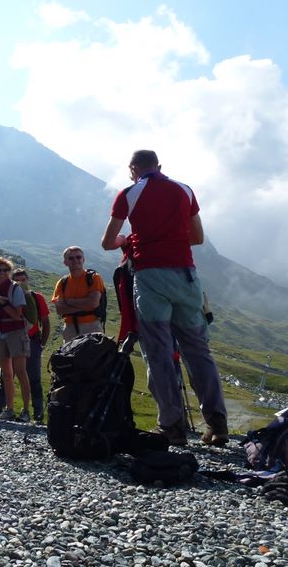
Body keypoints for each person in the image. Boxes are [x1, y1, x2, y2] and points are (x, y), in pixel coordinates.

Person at [101, 149, 228, 446]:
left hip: (150, 278)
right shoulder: (185, 190)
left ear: (133, 169)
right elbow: (197, 238)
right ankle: (217, 425)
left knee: (158, 352)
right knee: (198, 351)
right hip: (186, 277)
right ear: (159, 166)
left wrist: (130, 239)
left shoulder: (128, 194)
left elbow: (108, 242)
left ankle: (172, 427)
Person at [0, 257, 31, 421]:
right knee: (6, 374)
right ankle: (10, 409)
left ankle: (25, 411)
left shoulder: (15, 289)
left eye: (6, 270)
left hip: (15, 331)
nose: (2, 273)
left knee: (20, 371)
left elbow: (17, 314)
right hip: (0, 331)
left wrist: (2, 302)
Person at [14, 269, 51, 424]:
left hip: (32, 341)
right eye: (17, 281)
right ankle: (1, 408)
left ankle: (38, 413)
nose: (21, 283)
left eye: (23, 280)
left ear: (27, 280)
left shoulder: (37, 298)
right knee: (7, 376)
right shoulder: (10, 297)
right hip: (13, 341)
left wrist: (41, 344)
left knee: (34, 378)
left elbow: (46, 322)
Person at [51, 246, 105, 342]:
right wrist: (85, 306)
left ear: (83, 259)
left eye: (78, 257)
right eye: (71, 258)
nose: (75, 260)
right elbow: (60, 310)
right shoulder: (62, 283)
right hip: (70, 328)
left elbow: (93, 303)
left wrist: (69, 302)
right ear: (65, 262)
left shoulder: (94, 278)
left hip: (92, 327)